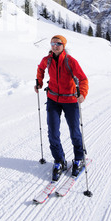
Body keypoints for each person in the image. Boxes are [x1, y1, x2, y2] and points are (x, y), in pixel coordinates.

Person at [34, 35, 89, 181]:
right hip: (53, 99)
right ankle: (59, 160)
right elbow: (40, 69)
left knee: (75, 131)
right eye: (52, 43)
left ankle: (79, 158)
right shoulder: (48, 59)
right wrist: (39, 82)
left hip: (70, 100)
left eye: (58, 43)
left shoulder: (70, 61)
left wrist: (82, 94)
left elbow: (83, 79)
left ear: (63, 45)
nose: (55, 46)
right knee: (52, 132)